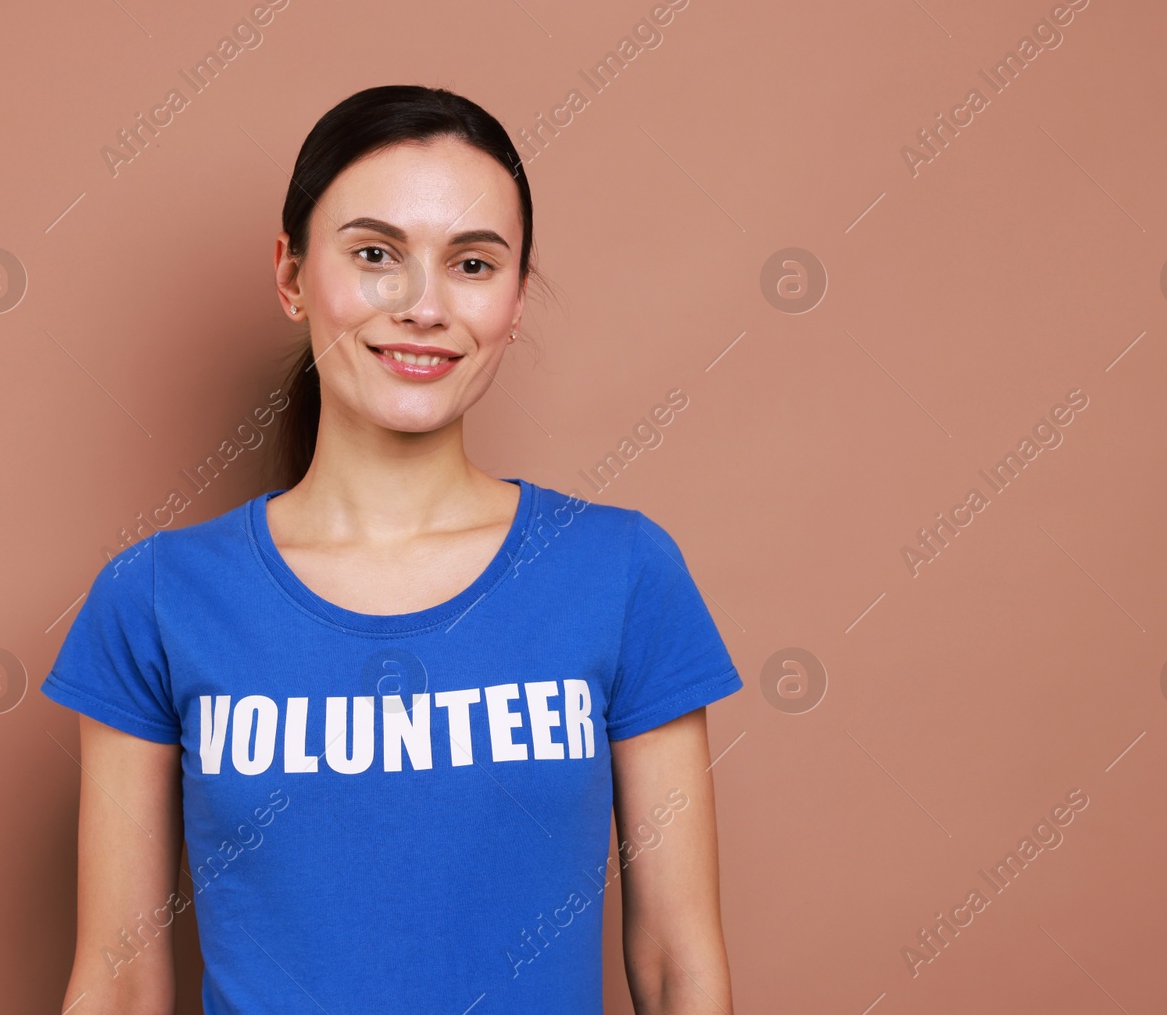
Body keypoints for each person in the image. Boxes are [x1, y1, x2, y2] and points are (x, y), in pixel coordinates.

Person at [42, 84, 743, 1014]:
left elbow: (677, 967)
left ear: (518, 297)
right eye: (376, 254)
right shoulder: (157, 598)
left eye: (473, 264)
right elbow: (121, 980)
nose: (423, 305)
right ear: (291, 275)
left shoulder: (621, 574)